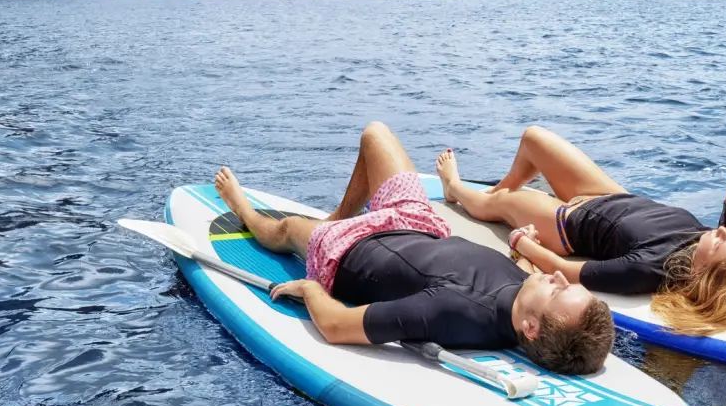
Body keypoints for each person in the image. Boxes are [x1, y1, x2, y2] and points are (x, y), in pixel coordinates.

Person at [213, 122, 616, 375]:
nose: (561, 275)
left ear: (530, 328)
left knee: (286, 230)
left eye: (560, 290)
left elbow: (337, 327)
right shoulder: (524, 299)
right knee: (376, 134)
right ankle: (338, 212)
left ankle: (244, 209)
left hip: (350, 249)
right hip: (416, 224)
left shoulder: (449, 309)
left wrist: (311, 289)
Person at [435, 127, 726, 337]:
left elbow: (569, 271)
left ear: (704, 271)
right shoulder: (710, 240)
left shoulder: (648, 269)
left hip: (565, 224)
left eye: (723, 241)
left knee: (505, 202)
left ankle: (456, 188)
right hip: (611, 196)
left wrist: (523, 244)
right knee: (533, 139)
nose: (722, 231)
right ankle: (497, 189)